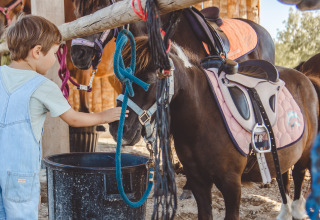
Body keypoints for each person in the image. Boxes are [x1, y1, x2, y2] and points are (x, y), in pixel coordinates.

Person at [0, 15, 127, 219]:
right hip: (20, 174)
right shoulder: (42, 86)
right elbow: (74, 119)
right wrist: (104, 116)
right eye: (55, 53)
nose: (56, 59)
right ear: (37, 52)